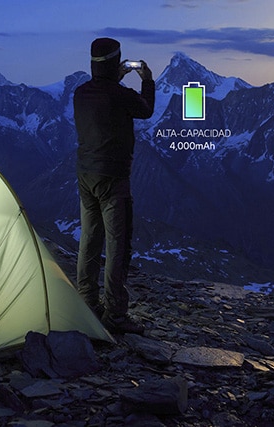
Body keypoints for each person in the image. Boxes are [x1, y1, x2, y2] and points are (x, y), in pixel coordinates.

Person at [73, 37, 154, 334]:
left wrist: (111, 76)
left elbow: (102, 98)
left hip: (85, 176)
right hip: (113, 179)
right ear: (116, 62)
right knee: (117, 245)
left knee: (89, 240)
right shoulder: (120, 95)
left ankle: (86, 304)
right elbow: (145, 110)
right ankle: (116, 314)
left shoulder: (80, 93)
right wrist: (147, 81)